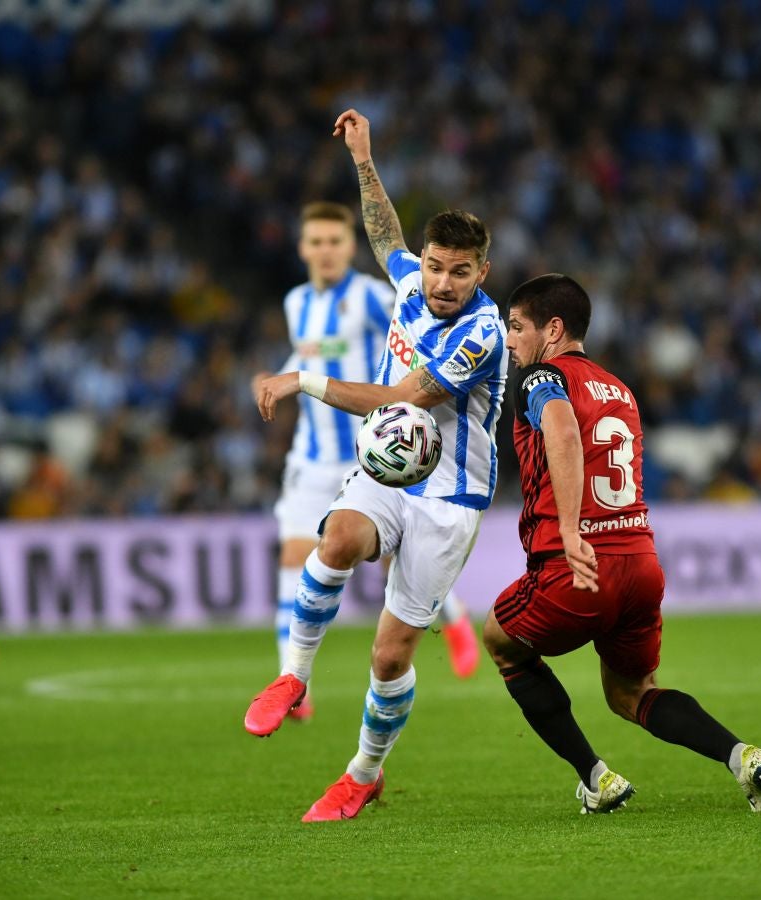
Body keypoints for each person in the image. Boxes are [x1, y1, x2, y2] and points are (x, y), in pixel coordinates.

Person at [243, 109, 508, 822]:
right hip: (392, 471)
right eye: (434, 266)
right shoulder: (408, 280)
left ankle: (364, 771)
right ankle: (292, 678)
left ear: (481, 273)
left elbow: (396, 399)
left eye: (460, 272)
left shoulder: (480, 334)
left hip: (449, 498)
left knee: (389, 658)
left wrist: (302, 380)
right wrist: (364, 159)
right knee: (333, 542)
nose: (443, 283)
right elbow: (385, 233)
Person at [482, 274, 761, 814]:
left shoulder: (539, 380)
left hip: (576, 570)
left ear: (552, 330)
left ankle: (595, 777)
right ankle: (741, 755)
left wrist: (572, 529)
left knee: (500, 639)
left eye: (516, 327)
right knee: (631, 693)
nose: (509, 339)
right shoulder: (618, 387)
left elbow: (561, 428)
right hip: (640, 565)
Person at [252, 202, 480, 723]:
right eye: (317, 242)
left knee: (398, 558)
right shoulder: (295, 304)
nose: (326, 251)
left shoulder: (376, 297)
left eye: (335, 241)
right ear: (303, 248)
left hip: (379, 447)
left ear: (350, 246)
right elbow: (307, 357)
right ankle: (292, 685)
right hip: (312, 455)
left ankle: (454, 613)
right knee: (295, 557)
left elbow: (415, 344)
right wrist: (274, 378)